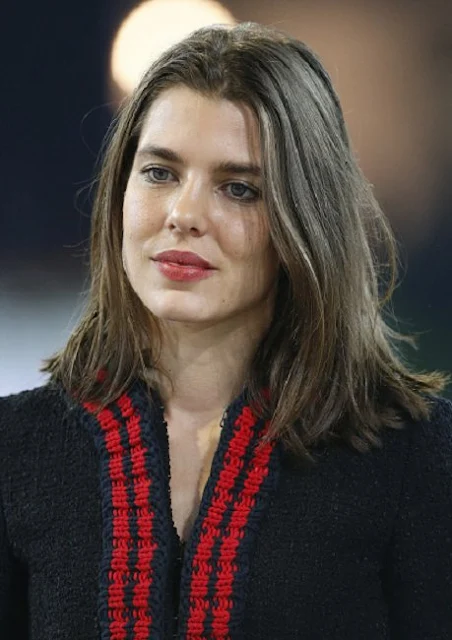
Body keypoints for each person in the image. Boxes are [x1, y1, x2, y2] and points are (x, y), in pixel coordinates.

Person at [0, 21, 451, 640]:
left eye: (238, 189)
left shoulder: (416, 457)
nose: (184, 214)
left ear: (305, 221)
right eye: (160, 172)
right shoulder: (15, 450)